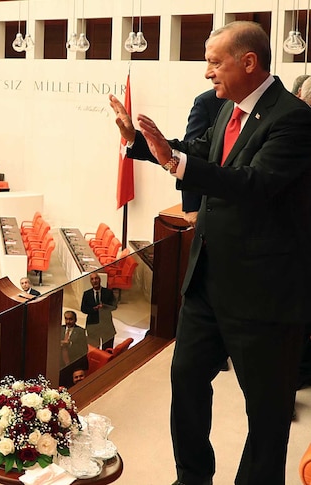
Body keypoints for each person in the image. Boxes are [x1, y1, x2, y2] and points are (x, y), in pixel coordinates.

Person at [109, 21, 311, 485]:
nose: (207, 73)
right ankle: (193, 478)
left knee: (266, 415)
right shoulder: (226, 108)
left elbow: (253, 185)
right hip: (207, 284)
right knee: (186, 382)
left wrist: (174, 160)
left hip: (264, 298)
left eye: (214, 62)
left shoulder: (293, 119)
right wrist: (138, 143)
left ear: (248, 62)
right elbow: (203, 151)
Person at [180, 89, 226, 225]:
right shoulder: (208, 102)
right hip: (210, 205)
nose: (209, 74)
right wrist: (191, 206)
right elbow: (193, 152)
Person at [80, 273, 116, 350]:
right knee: (94, 350)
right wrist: (94, 309)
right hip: (93, 325)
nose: (94, 281)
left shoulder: (108, 292)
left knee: (107, 350)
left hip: (106, 325)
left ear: (100, 280)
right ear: (90, 282)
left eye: (96, 278)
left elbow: (114, 306)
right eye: (92, 279)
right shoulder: (87, 294)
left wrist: (104, 307)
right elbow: (83, 309)